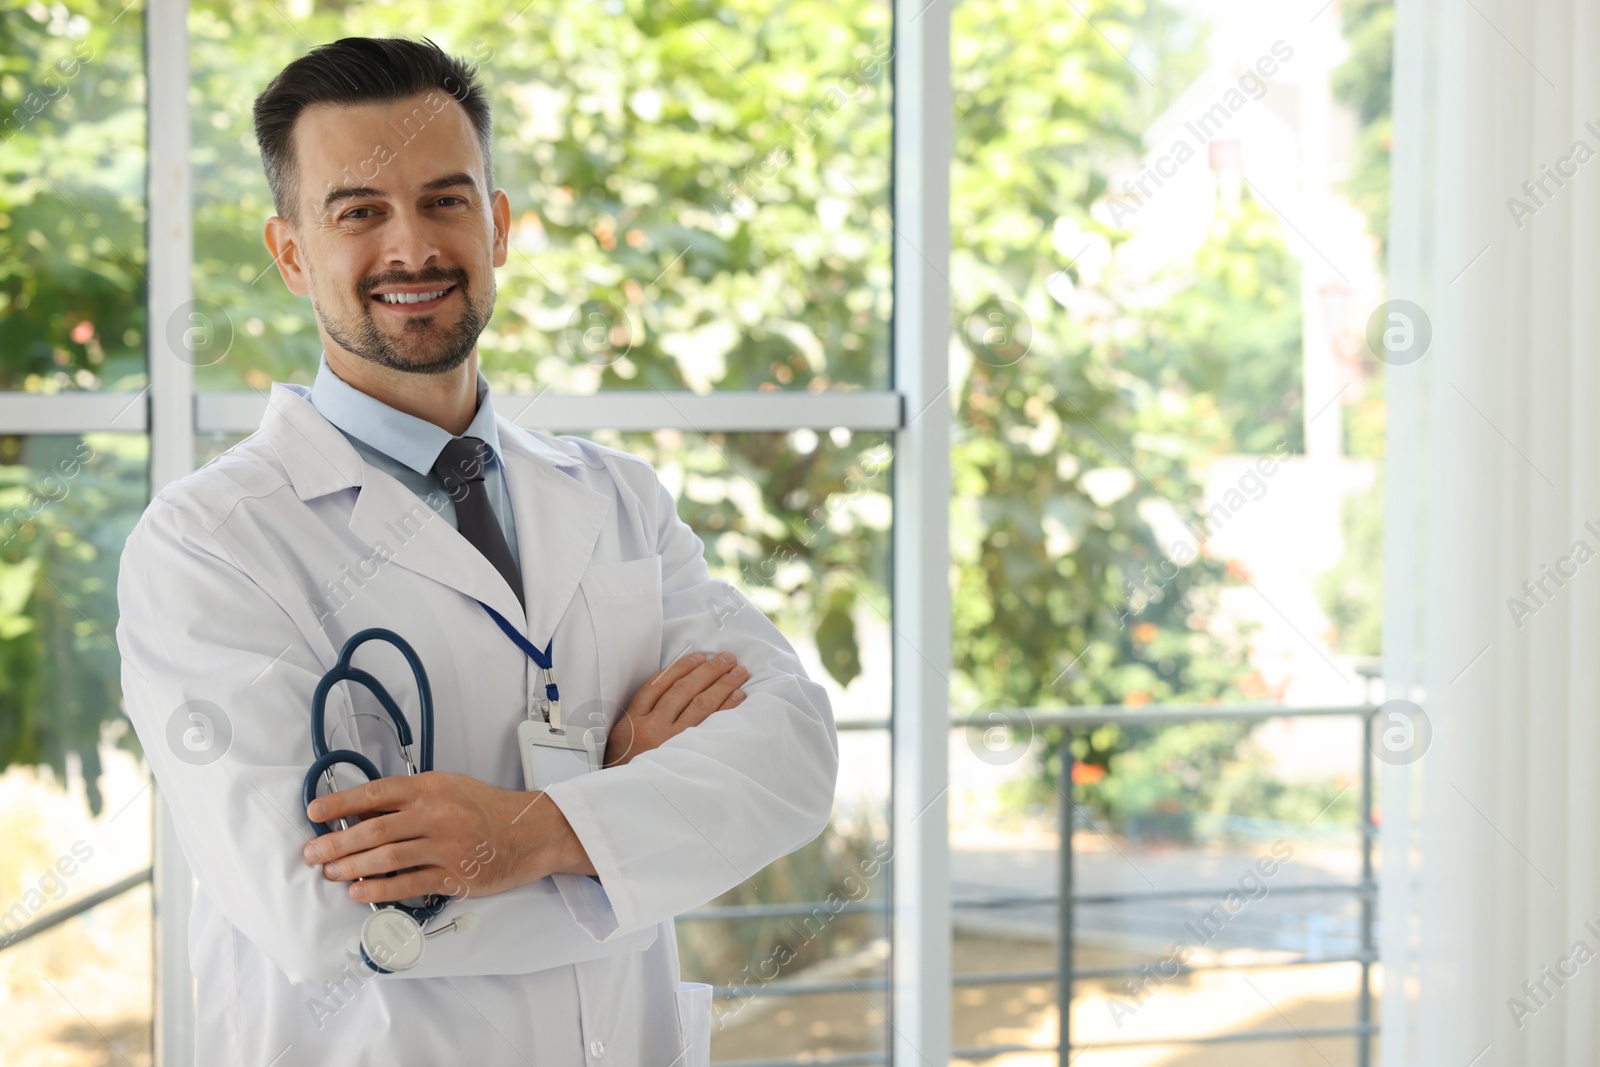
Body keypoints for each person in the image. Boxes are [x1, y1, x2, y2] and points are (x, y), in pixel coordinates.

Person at [114, 35, 838, 1066]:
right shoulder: (209, 543)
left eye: (446, 201)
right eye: (358, 211)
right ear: (290, 253)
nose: (412, 247)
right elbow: (325, 918)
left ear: (496, 228)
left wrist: (535, 830)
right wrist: (628, 815)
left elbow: (793, 760)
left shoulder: (617, 497)